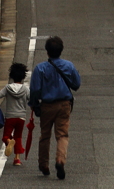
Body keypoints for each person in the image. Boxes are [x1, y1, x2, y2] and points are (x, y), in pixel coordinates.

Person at [29, 36, 80, 180]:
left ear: (47, 51)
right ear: (61, 50)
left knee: (45, 135)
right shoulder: (69, 66)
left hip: (46, 105)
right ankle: (60, 160)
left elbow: (35, 89)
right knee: (62, 134)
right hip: (64, 104)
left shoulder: (40, 68)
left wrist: (34, 104)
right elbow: (76, 84)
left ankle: (43, 164)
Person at [0, 62, 30, 166]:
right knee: (18, 137)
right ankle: (17, 159)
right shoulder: (25, 89)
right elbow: (31, 99)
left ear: (11, 75)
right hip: (21, 117)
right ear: (23, 76)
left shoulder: (8, 88)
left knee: (6, 136)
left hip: (10, 117)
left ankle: (9, 141)